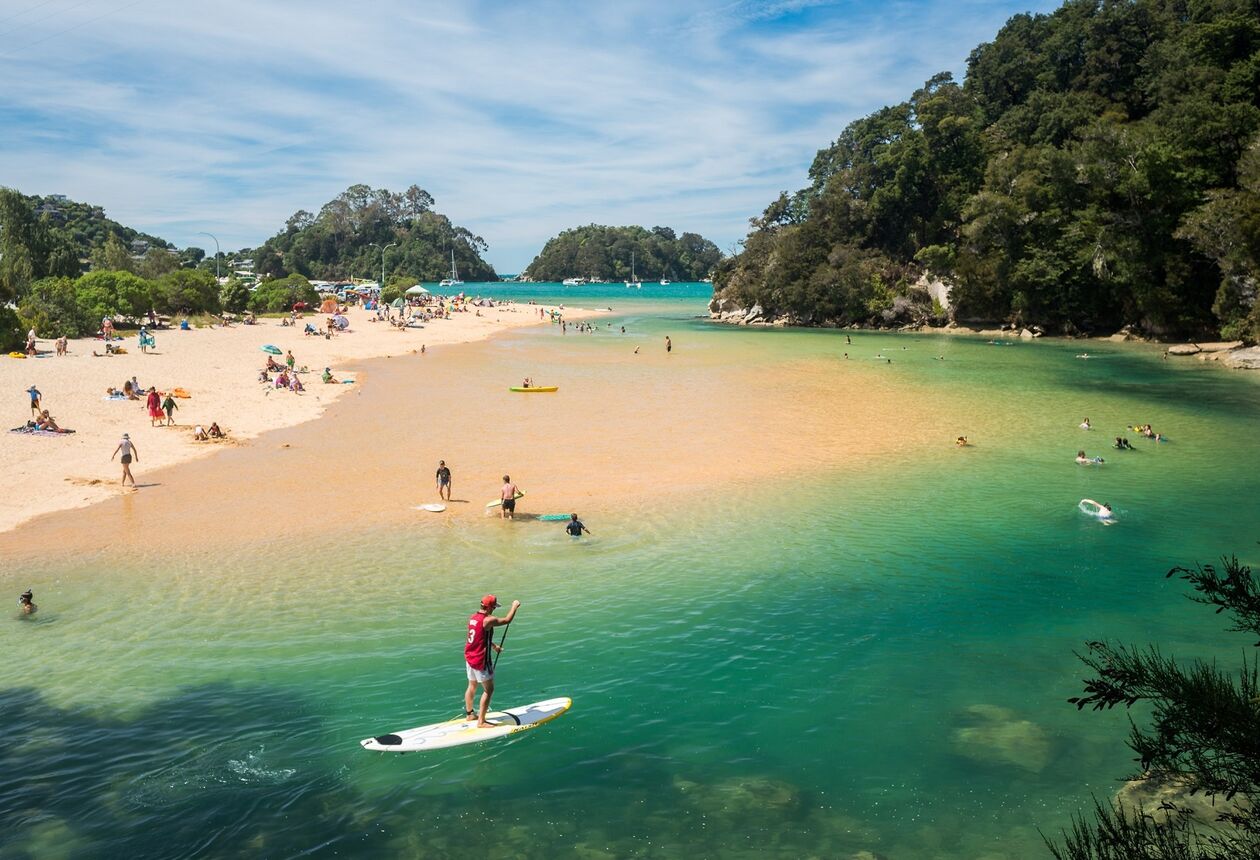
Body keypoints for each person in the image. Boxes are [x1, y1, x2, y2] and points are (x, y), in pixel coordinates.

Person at [464, 595, 521, 728]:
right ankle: (481, 722)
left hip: (470, 658)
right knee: (489, 690)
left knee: (472, 685)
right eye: (494, 607)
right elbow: (507, 620)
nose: (494, 610)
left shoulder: (473, 618)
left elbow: (479, 636)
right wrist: (514, 606)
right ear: (489, 607)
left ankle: (470, 714)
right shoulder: (488, 620)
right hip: (480, 660)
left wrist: (493, 646)